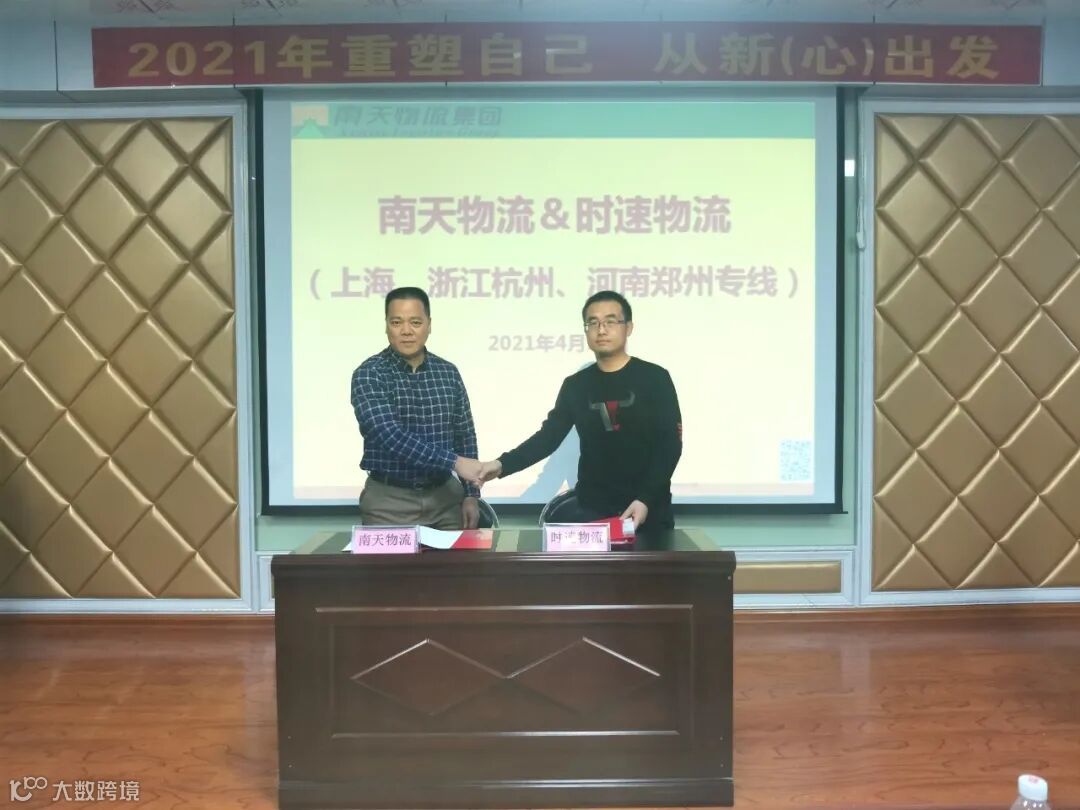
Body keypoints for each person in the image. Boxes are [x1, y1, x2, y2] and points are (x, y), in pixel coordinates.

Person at [480, 291, 682, 533]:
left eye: (610, 321)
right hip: (593, 511)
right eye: (593, 323)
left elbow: (670, 446)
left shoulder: (655, 378)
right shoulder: (575, 385)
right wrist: (501, 465)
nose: (601, 329)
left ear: (628, 327)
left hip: (649, 510)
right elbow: (548, 438)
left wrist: (645, 499)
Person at [350, 287, 484, 529]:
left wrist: (471, 495)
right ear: (386, 325)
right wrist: (454, 462)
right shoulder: (369, 373)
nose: (406, 331)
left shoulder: (448, 372)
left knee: (457, 557)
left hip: (446, 500)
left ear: (429, 325)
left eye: (415, 322)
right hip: (389, 502)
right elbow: (391, 436)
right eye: (396, 322)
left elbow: (464, 434)